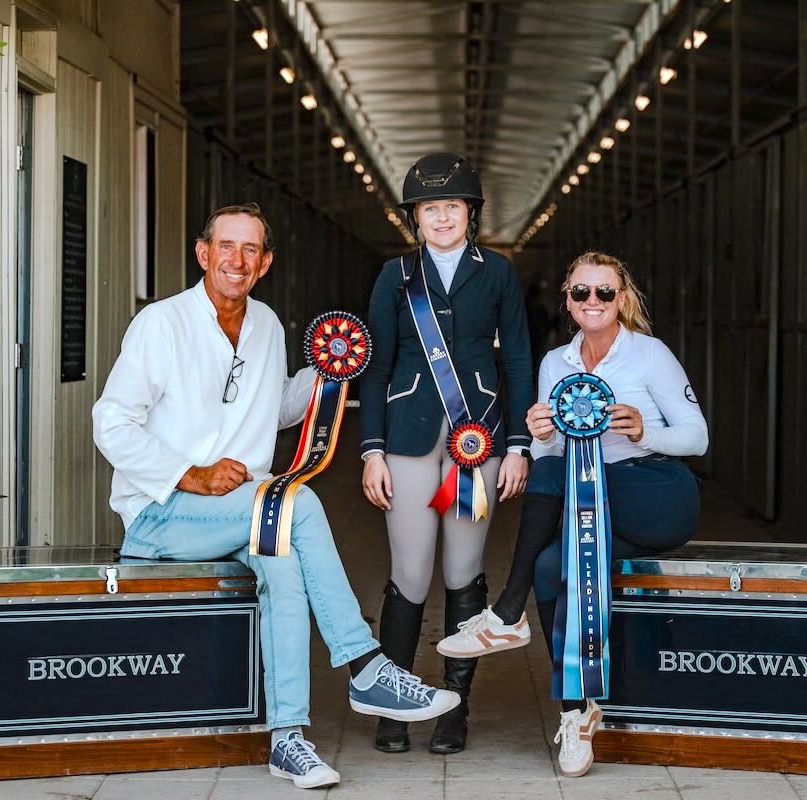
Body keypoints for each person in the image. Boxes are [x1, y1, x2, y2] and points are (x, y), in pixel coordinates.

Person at [93, 203, 460, 790]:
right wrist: (192, 473)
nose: (236, 261)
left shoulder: (264, 324)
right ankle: (365, 664)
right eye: (226, 246)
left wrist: (328, 370)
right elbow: (110, 423)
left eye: (250, 251)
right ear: (203, 253)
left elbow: (277, 410)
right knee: (300, 504)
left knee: (285, 566)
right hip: (163, 516)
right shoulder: (160, 324)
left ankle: (288, 739)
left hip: (246, 514)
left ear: (265, 263)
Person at [436, 251, 708, 777]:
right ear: (567, 299)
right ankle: (576, 715)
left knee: (554, 479)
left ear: (622, 299)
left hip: (655, 494)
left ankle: (507, 612)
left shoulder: (649, 355)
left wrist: (641, 430)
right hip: (591, 508)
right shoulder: (554, 363)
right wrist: (539, 434)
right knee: (548, 565)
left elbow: (697, 438)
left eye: (604, 292)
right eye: (581, 292)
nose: (593, 301)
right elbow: (550, 457)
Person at [359, 153, 534, 754]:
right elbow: (377, 364)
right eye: (429, 208)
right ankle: (397, 701)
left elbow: (515, 358)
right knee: (409, 573)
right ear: (415, 217)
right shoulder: (394, 276)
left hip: (476, 438)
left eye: (451, 207)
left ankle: (455, 710)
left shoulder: (499, 273)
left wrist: (518, 445)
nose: (440, 217)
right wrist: (371, 449)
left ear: (470, 214)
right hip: (406, 436)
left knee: (462, 571)